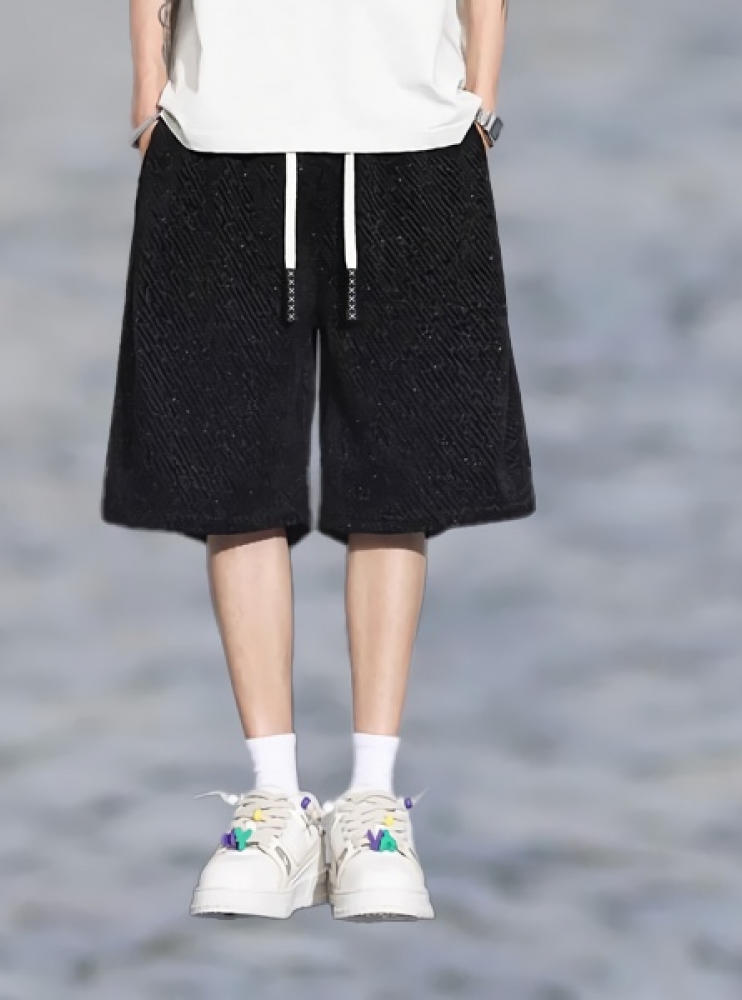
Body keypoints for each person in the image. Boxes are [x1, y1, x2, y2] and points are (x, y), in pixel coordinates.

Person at [102, 0, 535, 922]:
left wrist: (481, 99)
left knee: (398, 476)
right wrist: (149, 92)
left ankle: (374, 805)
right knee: (233, 471)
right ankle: (273, 807)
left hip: (414, 135)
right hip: (220, 135)